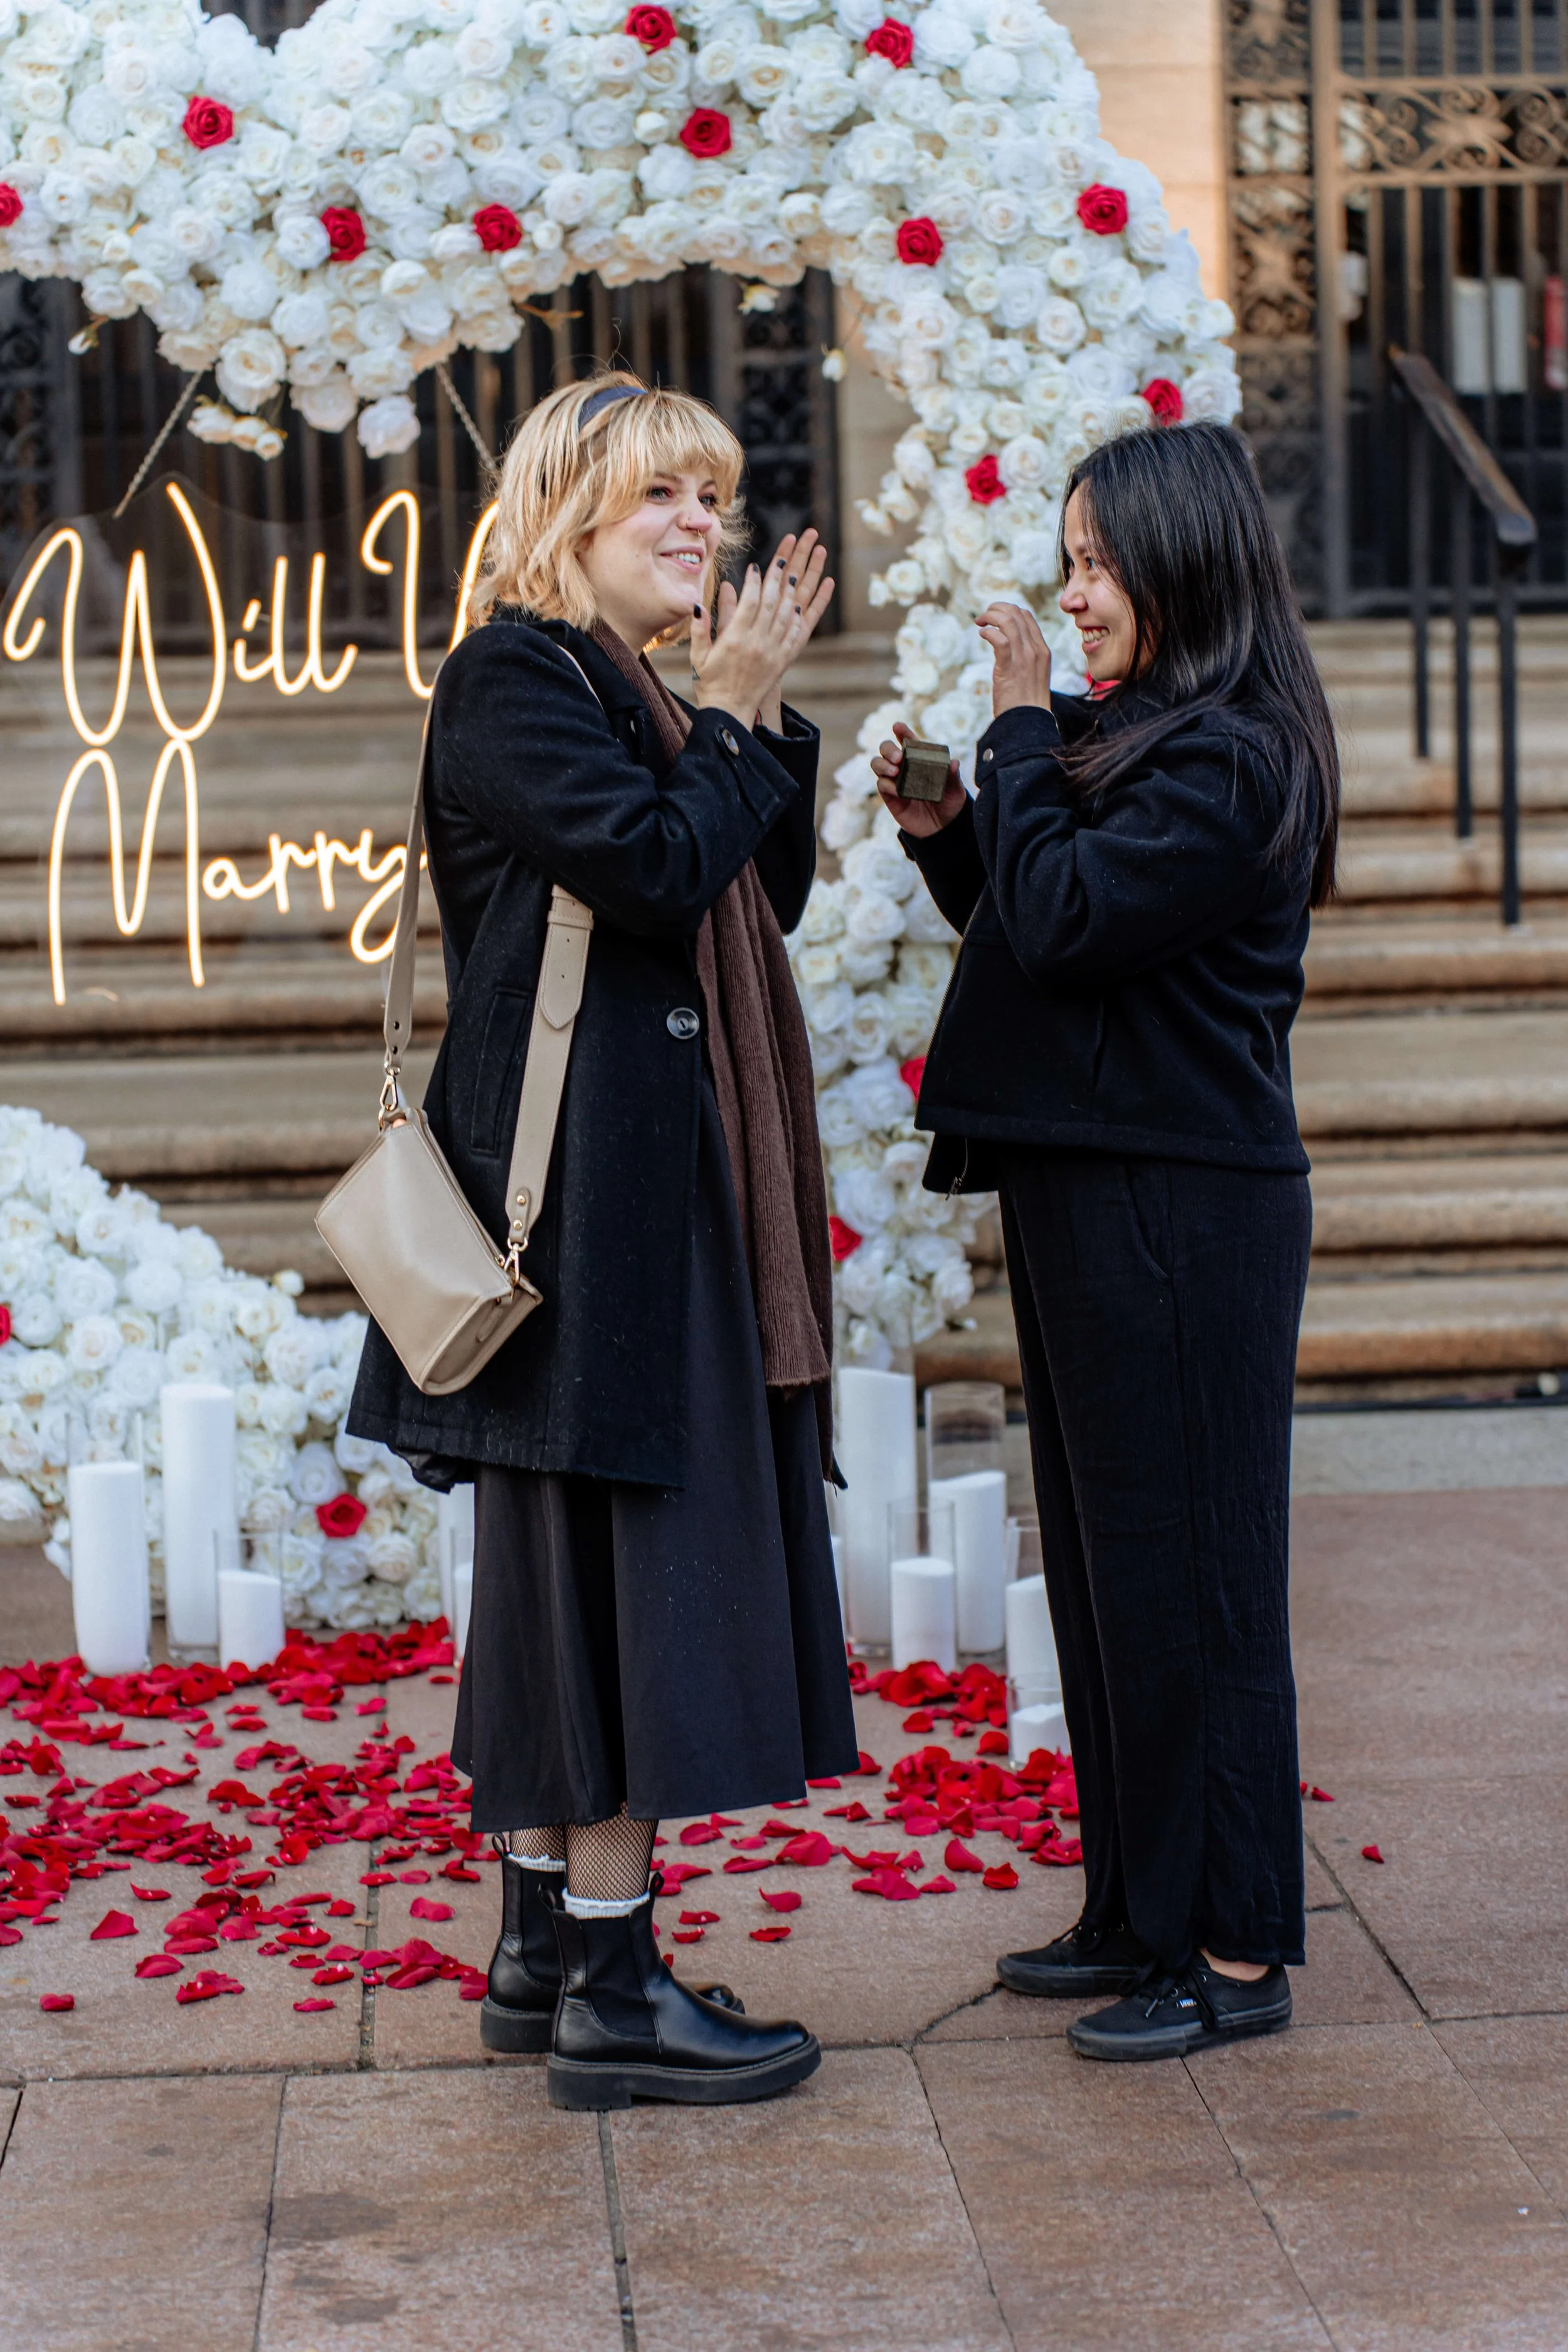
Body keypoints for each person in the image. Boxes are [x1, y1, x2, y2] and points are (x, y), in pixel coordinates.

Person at [348, 370, 859, 2108]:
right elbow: (652, 869)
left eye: (713, 494)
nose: (704, 524)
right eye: (663, 496)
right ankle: (615, 1987)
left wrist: (749, 716)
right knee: (615, 1589)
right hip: (573, 1220)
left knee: (568, 1586)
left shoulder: (629, 685)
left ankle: (542, 1949)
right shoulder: (516, 676)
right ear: (569, 515)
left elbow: (754, 893)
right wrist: (729, 713)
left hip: (635, 1196)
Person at [873, 420, 1340, 2063]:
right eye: (1066, 563)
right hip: (1094, 1187)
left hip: (1186, 1204)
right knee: (1104, 1570)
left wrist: (1012, 728)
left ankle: (1233, 1946)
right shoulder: (1139, 736)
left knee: (1201, 1579)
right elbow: (1032, 924)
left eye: (1095, 563)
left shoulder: (1234, 758)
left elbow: (1069, 918)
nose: (1071, 594)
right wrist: (954, 823)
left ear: (1181, 564)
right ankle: (1139, 1909)